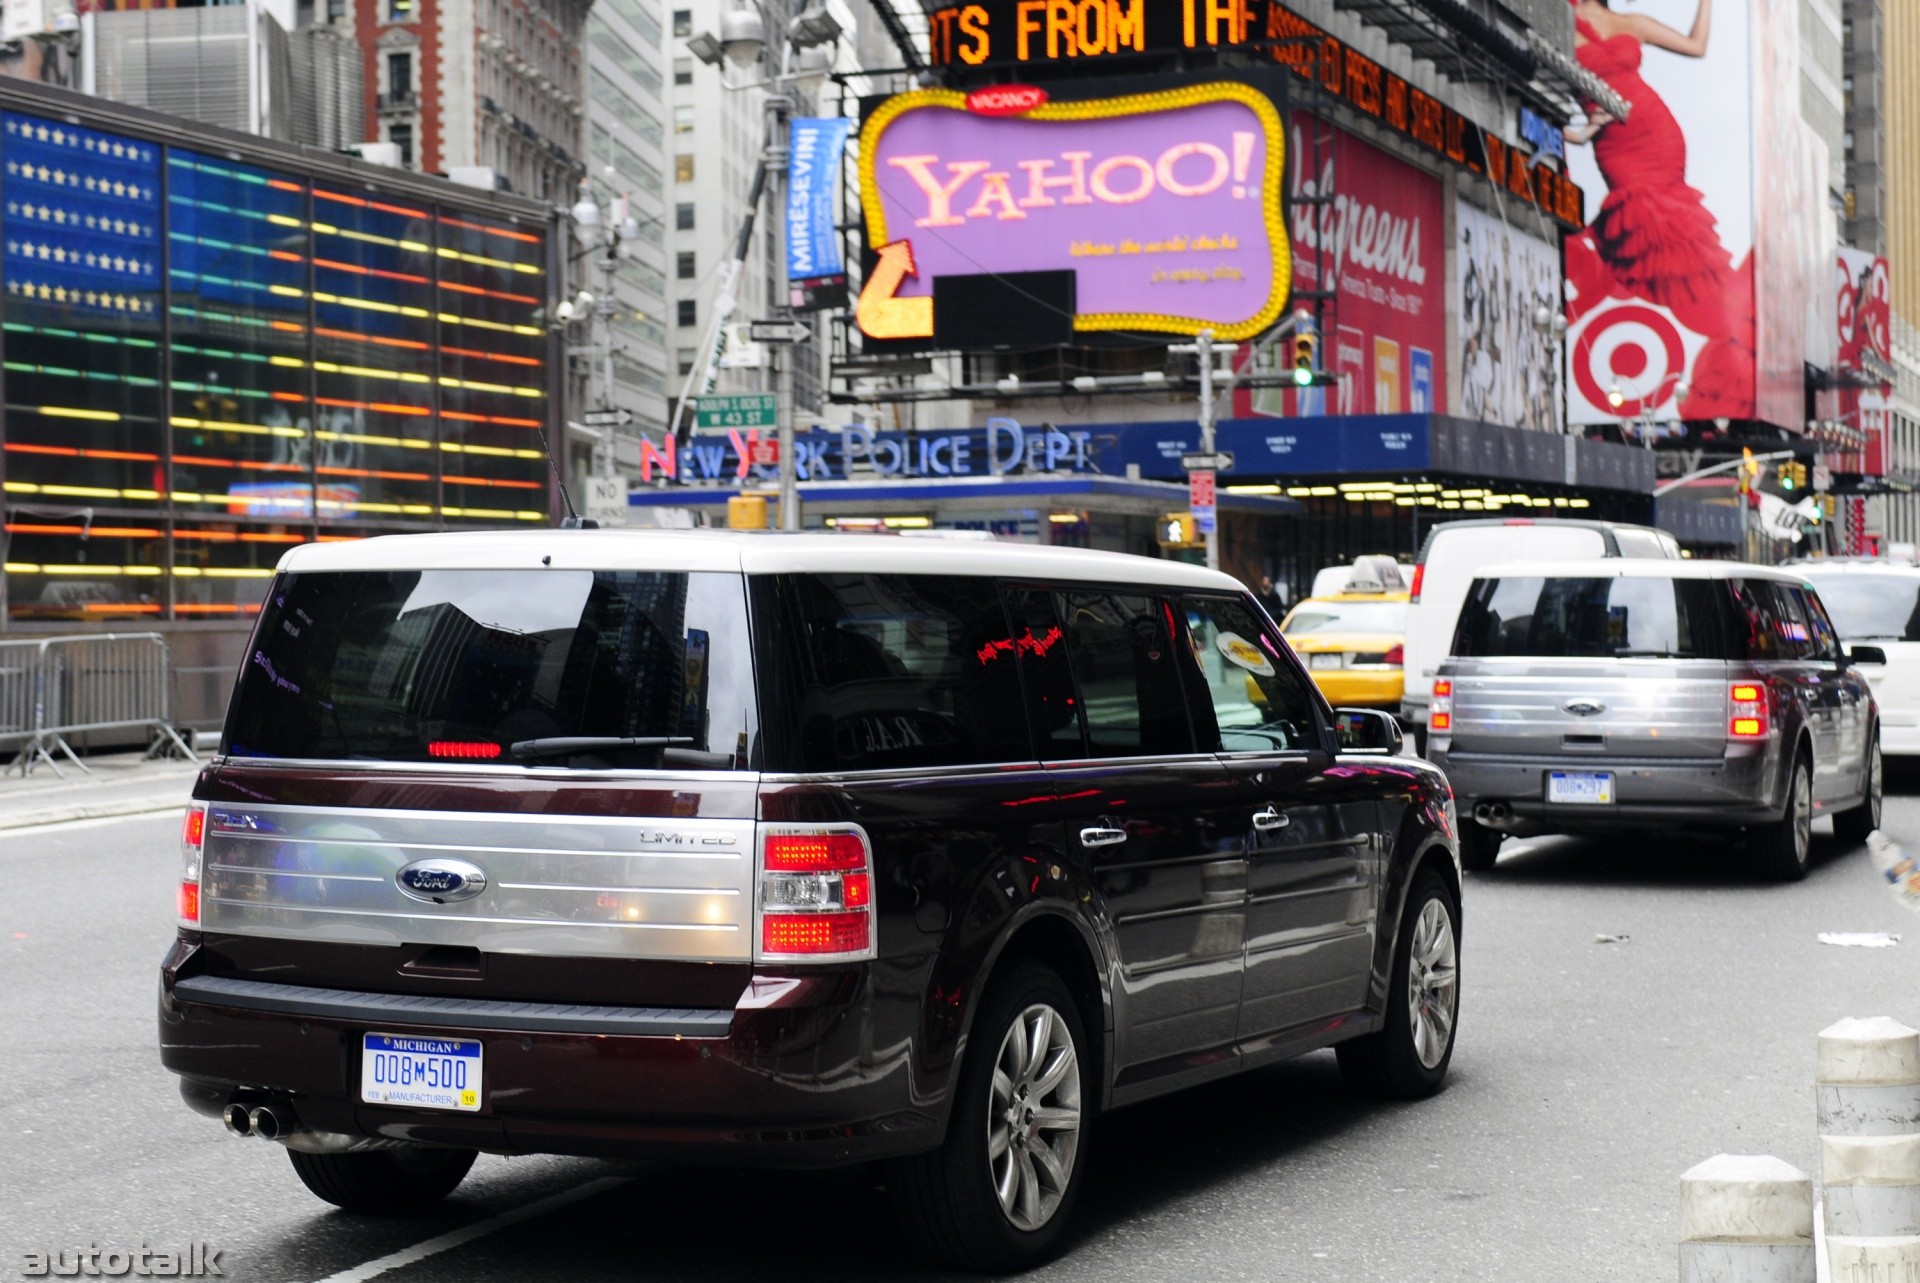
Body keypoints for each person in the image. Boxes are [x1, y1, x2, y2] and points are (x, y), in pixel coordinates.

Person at [1566, 0, 1751, 418]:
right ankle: (1645, 341)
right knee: (1637, 226)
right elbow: (1591, 93)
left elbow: (1696, 45)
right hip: (1616, 143)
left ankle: (1697, 334)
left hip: (1655, 131)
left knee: (1670, 234)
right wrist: (1584, 132)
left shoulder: (1630, 22)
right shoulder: (1559, 16)